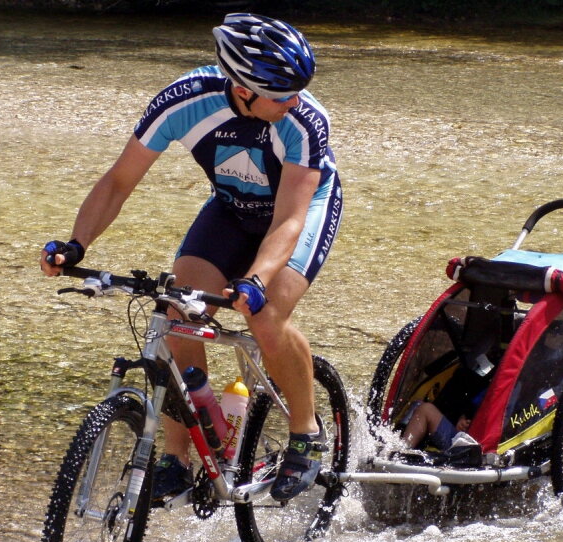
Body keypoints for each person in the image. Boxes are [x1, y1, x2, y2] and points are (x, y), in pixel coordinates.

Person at [40, 13, 343, 503]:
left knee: (266, 315)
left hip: (300, 208)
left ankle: (306, 433)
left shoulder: (305, 120)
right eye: (282, 94)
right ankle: (176, 458)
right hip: (231, 208)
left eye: (297, 92)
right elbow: (119, 181)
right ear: (242, 89)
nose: (295, 101)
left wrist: (256, 280)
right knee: (176, 309)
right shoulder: (185, 100)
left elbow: (289, 221)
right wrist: (76, 244)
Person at [402, 401, 472, 450]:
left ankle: (403, 450)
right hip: (458, 438)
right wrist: (465, 417)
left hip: (468, 449)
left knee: (426, 409)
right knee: (419, 404)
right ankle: (403, 447)